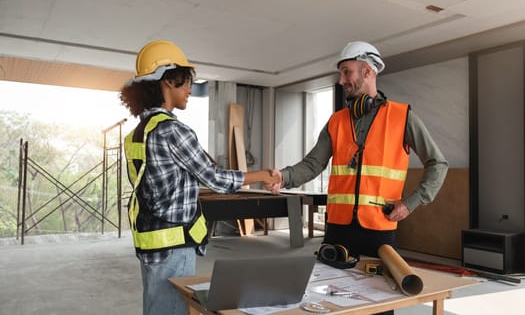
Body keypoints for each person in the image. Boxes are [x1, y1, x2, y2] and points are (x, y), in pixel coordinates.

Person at [267, 41, 448, 314]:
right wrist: (285, 176)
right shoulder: (336, 121)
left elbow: (438, 163)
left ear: (367, 72)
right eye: (340, 74)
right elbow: (313, 163)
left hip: (379, 232)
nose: (341, 80)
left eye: (346, 72)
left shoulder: (402, 117)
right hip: (338, 229)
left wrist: (410, 203)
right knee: (335, 302)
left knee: (379, 304)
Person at [119, 40, 279, 315]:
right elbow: (215, 178)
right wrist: (263, 174)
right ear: (167, 81)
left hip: (151, 240)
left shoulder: (137, 132)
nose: (190, 90)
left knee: (157, 307)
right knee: (172, 309)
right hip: (174, 243)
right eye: (185, 83)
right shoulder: (172, 131)